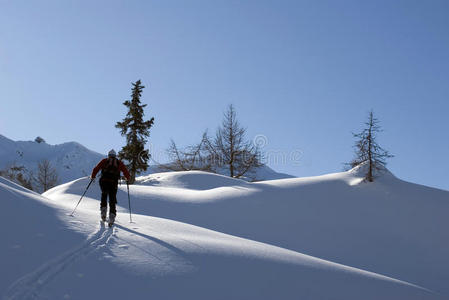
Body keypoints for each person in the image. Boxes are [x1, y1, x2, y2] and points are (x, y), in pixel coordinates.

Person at [91, 149, 130, 226]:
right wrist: (127, 178)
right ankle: (112, 215)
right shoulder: (119, 163)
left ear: (108, 155)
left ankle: (103, 212)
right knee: (112, 198)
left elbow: (96, 168)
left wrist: (93, 176)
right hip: (113, 183)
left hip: (104, 182)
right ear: (115, 155)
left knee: (104, 195)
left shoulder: (105, 161)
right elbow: (126, 172)